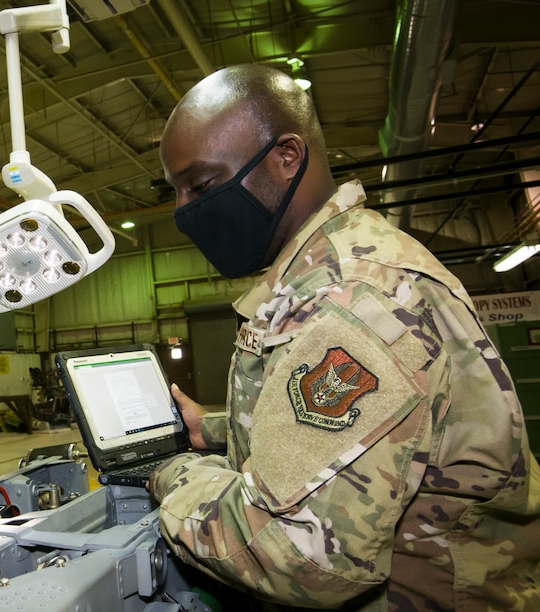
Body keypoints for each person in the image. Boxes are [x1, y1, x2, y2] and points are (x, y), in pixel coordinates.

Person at [149, 64, 540, 610]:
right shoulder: (330, 272)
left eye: (202, 185)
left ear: (287, 156)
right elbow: (367, 432)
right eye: (176, 191)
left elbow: (300, 556)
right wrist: (212, 431)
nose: (184, 210)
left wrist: (176, 474)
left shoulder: (353, 298)